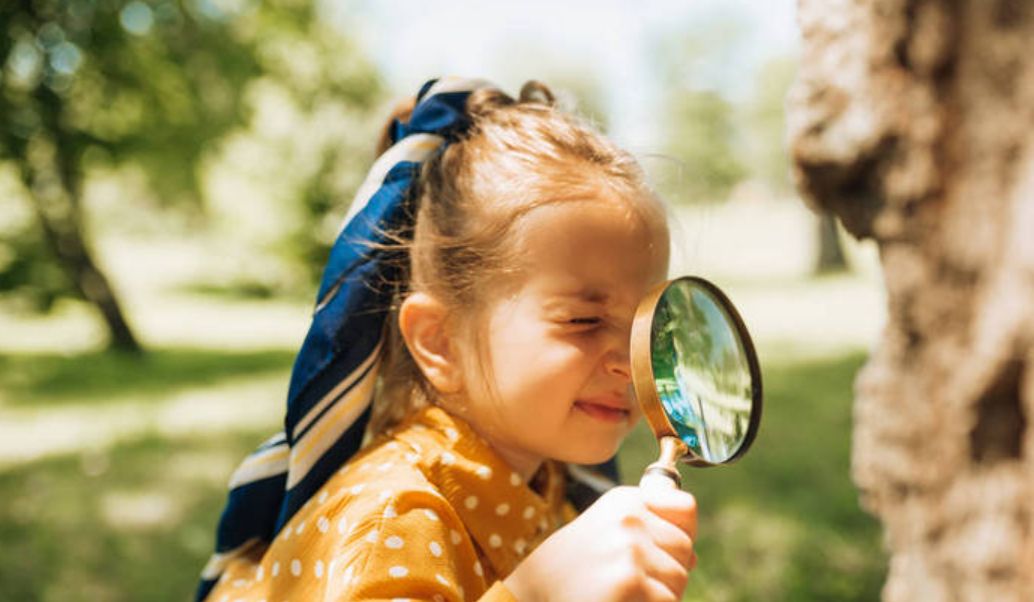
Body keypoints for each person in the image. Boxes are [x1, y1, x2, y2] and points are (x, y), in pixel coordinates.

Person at [198, 77, 697, 602]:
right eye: (583, 321)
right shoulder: (388, 518)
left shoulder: (551, 483)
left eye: (647, 324)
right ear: (440, 343)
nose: (630, 362)